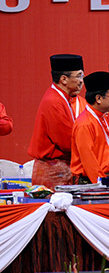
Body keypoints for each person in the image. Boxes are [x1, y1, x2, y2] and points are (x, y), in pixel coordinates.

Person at [28, 54, 85, 189]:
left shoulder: (65, 99)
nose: (81, 81)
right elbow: (66, 142)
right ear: (64, 79)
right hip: (54, 171)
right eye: (78, 76)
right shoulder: (54, 102)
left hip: (63, 167)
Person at [70, 72, 109, 184]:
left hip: (106, 179)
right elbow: (89, 162)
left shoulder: (104, 118)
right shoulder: (85, 124)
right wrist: (106, 187)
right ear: (98, 98)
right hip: (91, 182)